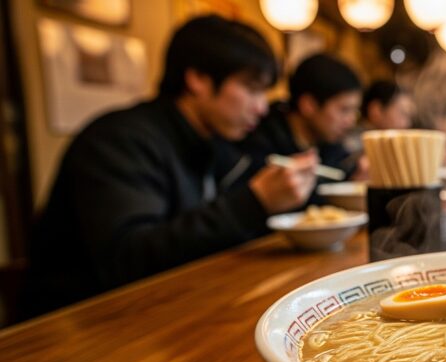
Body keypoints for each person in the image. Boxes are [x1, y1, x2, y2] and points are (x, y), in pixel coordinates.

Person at [23, 15, 316, 317]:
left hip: (169, 309)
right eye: (252, 89)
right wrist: (254, 203)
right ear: (198, 79)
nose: (261, 107)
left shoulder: (211, 141)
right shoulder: (120, 140)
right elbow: (128, 258)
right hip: (78, 326)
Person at [217, 54, 364, 192]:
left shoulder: (332, 149)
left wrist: (354, 179)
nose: (351, 120)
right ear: (309, 105)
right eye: (344, 110)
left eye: (354, 111)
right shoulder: (256, 146)